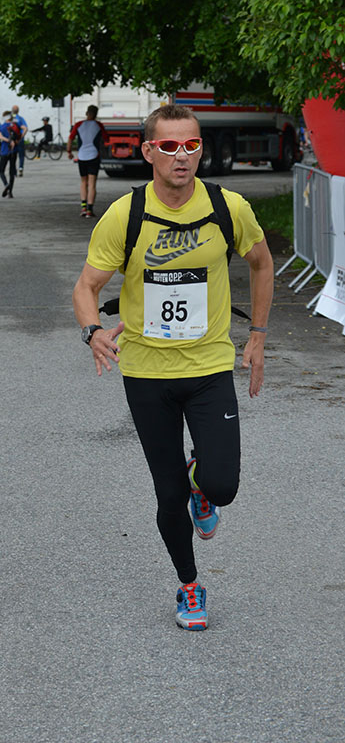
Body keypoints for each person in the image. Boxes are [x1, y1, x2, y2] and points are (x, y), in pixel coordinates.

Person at [72, 105, 274, 631]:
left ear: (200, 149)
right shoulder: (126, 214)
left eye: (191, 145)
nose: (181, 156)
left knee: (222, 484)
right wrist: (93, 331)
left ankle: (202, 485)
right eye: (168, 146)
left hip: (209, 366)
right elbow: (87, 287)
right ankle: (189, 585)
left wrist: (257, 335)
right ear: (148, 152)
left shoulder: (228, 207)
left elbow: (261, 263)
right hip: (147, 372)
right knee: (168, 495)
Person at [67, 104, 109, 217]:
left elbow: (70, 138)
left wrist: (69, 151)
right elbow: (106, 139)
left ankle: (83, 208)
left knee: (83, 182)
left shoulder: (78, 124)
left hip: (82, 156)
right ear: (96, 114)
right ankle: (90, 210)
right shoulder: (99, 125)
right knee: (92, 184)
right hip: (94, 156)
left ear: (86, 113)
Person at [0, 111, 19, 198]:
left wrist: (8, 140)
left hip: (4, 150)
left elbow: (0, 137)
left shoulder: (1, 127)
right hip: (14, 151)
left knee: (1, 171)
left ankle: (6, 184)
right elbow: (19, 136)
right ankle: (10, 192)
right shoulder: (15, 126)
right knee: (11, 172)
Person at [11, 105, 28, 175]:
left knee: (13, 155)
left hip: (12, 139)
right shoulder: (21, 119)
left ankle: (14, 170)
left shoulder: (10, 119)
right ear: (18, 111)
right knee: (21, 155)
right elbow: (26, 128)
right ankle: (21, 167)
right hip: (20, 139)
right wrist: (21, 137)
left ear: (12, 111)